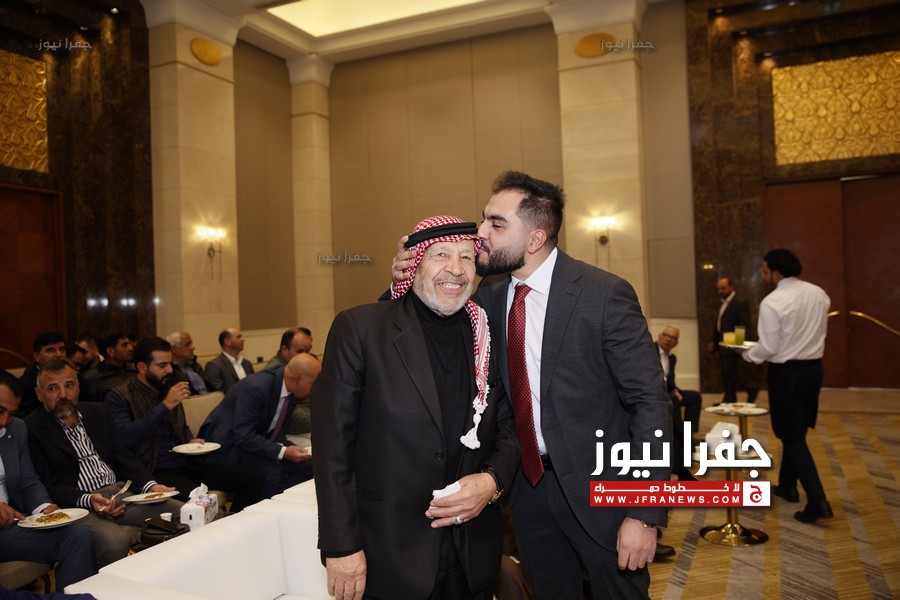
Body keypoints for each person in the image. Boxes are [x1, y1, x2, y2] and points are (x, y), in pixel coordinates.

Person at [392, 172, 671, 598]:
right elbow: (428, 327)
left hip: (604, 491)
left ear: (536, 238)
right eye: (484, 218)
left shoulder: (603, 294)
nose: (480, 233)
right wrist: (403, 282)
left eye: (496, 224)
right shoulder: (487, 296)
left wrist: (644, 513)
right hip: (527, 490)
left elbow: (650, 403)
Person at [313, 215, 520, 600]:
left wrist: (492, 481)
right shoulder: (360, 329)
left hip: (472, 555)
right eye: (441, 255)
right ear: (414, 263)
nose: (455, 269)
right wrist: (341, 546)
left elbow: (509, 427)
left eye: (466, 257)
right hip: (388, 554)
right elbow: (332, 449)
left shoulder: (487, 335)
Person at [25, 359, 182, 569]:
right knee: (116, 541)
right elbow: (49, 484)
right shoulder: (32, 428)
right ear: (39, 394)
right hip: (80, 505)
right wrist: (89, 500)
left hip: (121, 495)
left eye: (69, 385)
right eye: (53, 388)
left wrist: (150, 486)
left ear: (78, 387)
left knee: (185, 512)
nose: (63, 394)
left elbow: (124, 456)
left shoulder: (98, 412)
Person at [105, 337, 264, 512]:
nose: (169, 370)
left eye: (170, 364)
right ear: (142, 367)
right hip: (155, 470)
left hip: (186, 464)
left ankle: (236, 522)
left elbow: (180, 426)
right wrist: (165, 406)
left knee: (253, 478)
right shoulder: (119, 396)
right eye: (162, 365)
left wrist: (190, 440)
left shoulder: (165, 386)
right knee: (200, 500)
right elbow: (126, 438)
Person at [740, 249, 832, 523]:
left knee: (790, 435)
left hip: (787, 374)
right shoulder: (819, 293)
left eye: (765, 271)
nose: (764, 276)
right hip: (813, 370)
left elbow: (769, 347)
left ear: (777, 273)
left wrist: (747, 354)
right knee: (797, 430)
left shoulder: (773, 301)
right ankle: (788, 486)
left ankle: (818, 501)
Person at [0, 371, 96, 591]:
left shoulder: (16, 429)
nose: (4, 421)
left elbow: (28, 480)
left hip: (9, 525)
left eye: (11, 414)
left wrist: (45, 508)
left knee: (77, 535)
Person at [200, 353, 319, 498]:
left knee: (308, 465)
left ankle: (287, 504)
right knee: (273, 473)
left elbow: (278, 433)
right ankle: (255, 510)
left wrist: (292, 449)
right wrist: (283, 451)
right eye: (313, 383)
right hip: (231, 448)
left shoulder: (290, 390)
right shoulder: (257, 388)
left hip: (255, 442)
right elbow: (243, 437)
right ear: (297, 379)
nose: (314, 389)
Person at [655, 326, 702, 481]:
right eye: (666, 335)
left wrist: (676, 390)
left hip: (668, 393)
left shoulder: (672, 358)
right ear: (659, 336)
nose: (669, 339)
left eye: (673, 338)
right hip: (655, 395)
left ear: (676, 343)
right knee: (673, 402)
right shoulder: (650, 351)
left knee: (694, 397)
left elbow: (671, 382)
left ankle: (689, 433)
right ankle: (683, 438)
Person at [710, 277, 759, 404]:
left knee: (730, 371)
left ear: (731, 287)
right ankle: (729, 398)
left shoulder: (739, 302)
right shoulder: (722, 303)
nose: (720, 291)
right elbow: (719, 324)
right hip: (722, 343)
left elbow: (744, 325)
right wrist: (714, 341)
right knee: (726, 373)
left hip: (733, 344)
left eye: (723, 288)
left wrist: (739, 346)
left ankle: (751, 387)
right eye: (718, 289)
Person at [17, 332, 67, 418]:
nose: (58, 354)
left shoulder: (76, 377)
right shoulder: (25, 385)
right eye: (51, 350)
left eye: (61, 349)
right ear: (36, 356)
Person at [81, 333, 135, 403]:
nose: (131, 348)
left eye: (130, 344)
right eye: (124, 345)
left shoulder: (134, 370)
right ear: (110, 351)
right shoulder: (91, 378)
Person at [205, 328, 254, 393]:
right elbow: (220, 394)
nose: (243, 339)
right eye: (238, 337)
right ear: (228, 341)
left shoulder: (247, 364)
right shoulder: (214, 366)